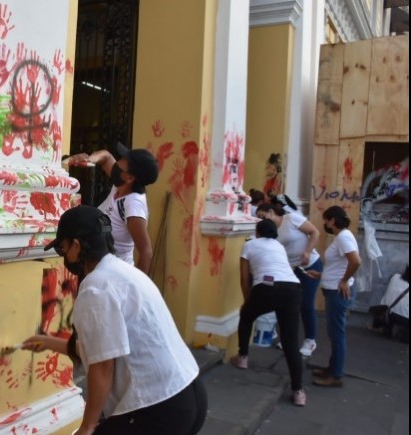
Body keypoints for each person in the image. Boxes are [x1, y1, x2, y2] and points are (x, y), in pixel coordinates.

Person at [24, 205, 207, 435]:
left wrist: (87, 427)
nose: (64, 256)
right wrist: (48, 342)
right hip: (188, 392)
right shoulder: (123, 272)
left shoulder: (96, 288)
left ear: (77, 246)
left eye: (63, 248)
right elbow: (104, 349)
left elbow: (102, 366)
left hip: (159, 406)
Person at [230, 218, 306, 407]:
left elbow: (244, 278)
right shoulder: (279, 246)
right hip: (292, 288)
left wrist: (247, 301)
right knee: (290, 342)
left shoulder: (249, 245)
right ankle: (298, 392)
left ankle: (243, 357)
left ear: (257, 232)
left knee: (246, 316)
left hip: (267, 287)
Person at [65, 143, 158, 274]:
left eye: (122, 162)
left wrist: (134, 284)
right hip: (99, 270)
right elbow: (106, 157)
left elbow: (146, 252)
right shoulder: (121, 185)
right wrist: (90, 159)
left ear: (130, 178)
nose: (117, 163)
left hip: (116, 274)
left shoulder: (133, 205)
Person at [256, 204, 322, 356]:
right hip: (290, 269)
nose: (261, 220)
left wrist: (307, 251)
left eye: (262, 216)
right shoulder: (270, 230)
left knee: (306, 304)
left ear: (271, 212)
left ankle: (310, 340)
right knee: (287, 303)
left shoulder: (291, 219)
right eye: (258, 218)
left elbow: (314, 232)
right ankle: (287, 338)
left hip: (310, 264)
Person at [306, 206, 361, 387]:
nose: (324, 224)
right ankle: (332, 369)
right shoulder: (342, 237)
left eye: (326, 220)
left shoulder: (344, 237)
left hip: (338, 292)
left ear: (332, 220)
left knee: (337, 334)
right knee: (334, 333)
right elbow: (339, 266)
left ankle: (336, 375)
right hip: (333, 289)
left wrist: (344, 281)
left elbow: (355, 261)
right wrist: (321, 275)